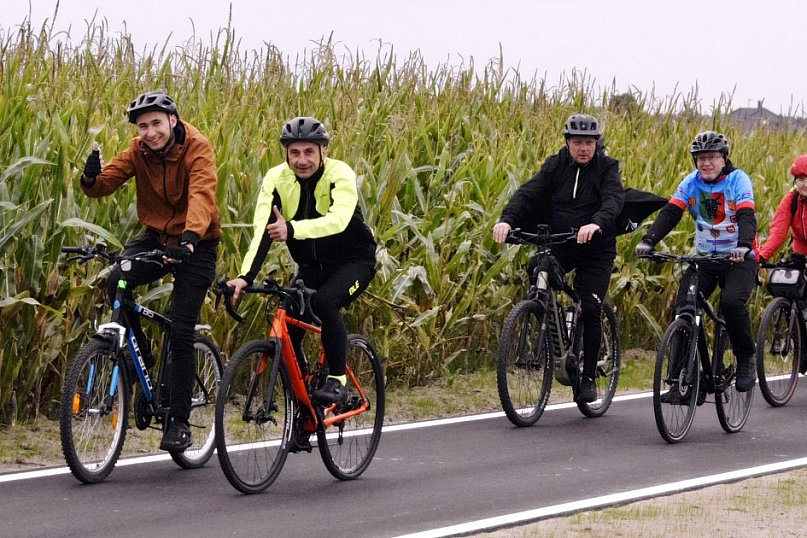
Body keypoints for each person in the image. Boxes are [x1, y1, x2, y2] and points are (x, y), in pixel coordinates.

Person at [80, 90, 221, 452]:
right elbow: (106, 184)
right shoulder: (138, 150)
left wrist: (189, 240)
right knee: (116, 282)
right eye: (143, 126)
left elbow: (202, 195)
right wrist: (92, 178)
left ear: (172, 121)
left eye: (156, 123)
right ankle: (140, 350)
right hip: (156, 236)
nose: (150, 132)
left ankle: (178, 422)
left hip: (197, 242)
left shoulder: (197, 147)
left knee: (181, 329)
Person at [228, 116, 376, 405]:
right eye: (294, 153)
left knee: (324, 302)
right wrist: (245, 277)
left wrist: (292, 229)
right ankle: (305, 399)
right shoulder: (276, 178)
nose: (302, 160)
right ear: (286, 153)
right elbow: (263, 230)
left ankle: (337, 381)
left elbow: (339, 220)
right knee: (291, 321)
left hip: (354, 260)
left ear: (325, 150)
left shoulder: (339, 173)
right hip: (311, 267)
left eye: (309, 152)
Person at [492, 113, 625, 403]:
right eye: (577, 142)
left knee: (590, 306)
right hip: (562, 242)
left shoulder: (607, 167)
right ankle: (550, 324)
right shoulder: (556, 165)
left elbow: (614, 200)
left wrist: (596, 223)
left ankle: (588, 375)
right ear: (567, 143)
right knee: (536, 267)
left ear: (596, 144)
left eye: (589, 143)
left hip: (596, 247)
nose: (584, 149)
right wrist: (506, 220)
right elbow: (529, 192)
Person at [635, 130, 758, 395]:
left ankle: (746, 358)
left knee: (731, 303)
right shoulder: (691, 182)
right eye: (701, 158)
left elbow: (747, 215)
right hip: (705, 260)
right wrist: (649, 240)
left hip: (739, 259)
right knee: (684, 309)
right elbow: (671, 212)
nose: (706, 163)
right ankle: (680, 379)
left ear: (724, 159)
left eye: (712, 157)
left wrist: (744, 245)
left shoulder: (738, 180)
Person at [758, 155, 807, 263]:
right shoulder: (791, 200)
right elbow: (778, 232)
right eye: (801, 179)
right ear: (795, 181)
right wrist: (761, 257)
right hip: (801, 255)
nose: (806, 184)